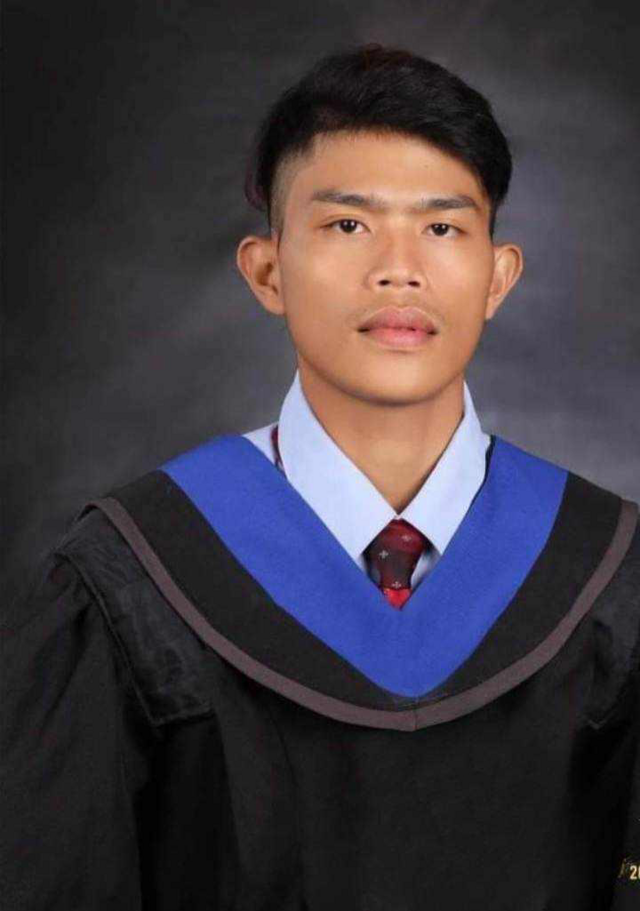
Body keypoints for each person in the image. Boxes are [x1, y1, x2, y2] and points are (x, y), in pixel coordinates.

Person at [2, 42, 639, 911]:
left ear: (498, 277)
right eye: (348, 225)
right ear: (267, 270)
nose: (399, 267)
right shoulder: (130, 578)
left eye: (442, 227)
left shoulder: (610, 574)